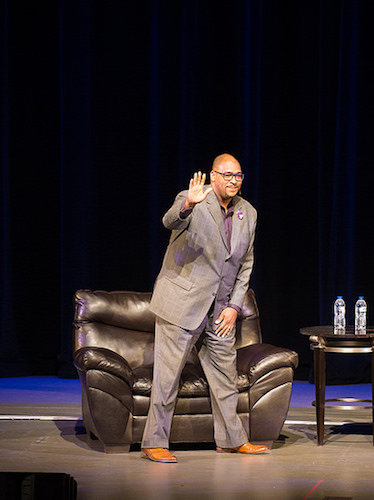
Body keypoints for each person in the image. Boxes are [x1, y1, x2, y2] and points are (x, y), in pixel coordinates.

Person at [141, 153, 267, 463]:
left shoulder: (248, 213)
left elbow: (245, 264)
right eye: (227, 175)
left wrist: (235, 306)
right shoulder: (194, 199)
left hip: (220, 309)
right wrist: (188, 205)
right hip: (183, 301)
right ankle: (154, 442)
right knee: (167, 377)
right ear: (212, 177)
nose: (233, 181)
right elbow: (169, 220)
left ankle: (231, 440)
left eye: (238, 176)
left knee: (224, 374)